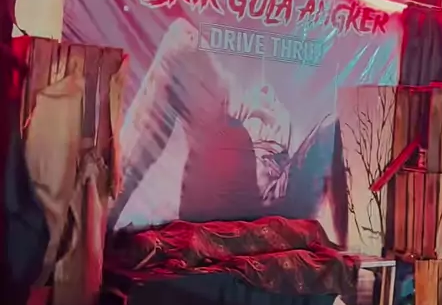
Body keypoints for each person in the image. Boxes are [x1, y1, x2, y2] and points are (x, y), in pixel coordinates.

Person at [110, 18, 348, 245]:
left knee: (334, 128)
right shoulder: (234, 109)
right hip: (235, 171)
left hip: (272, 189)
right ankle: (103, 217)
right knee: (181, 41)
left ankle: (351, 253)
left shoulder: (279, 132)